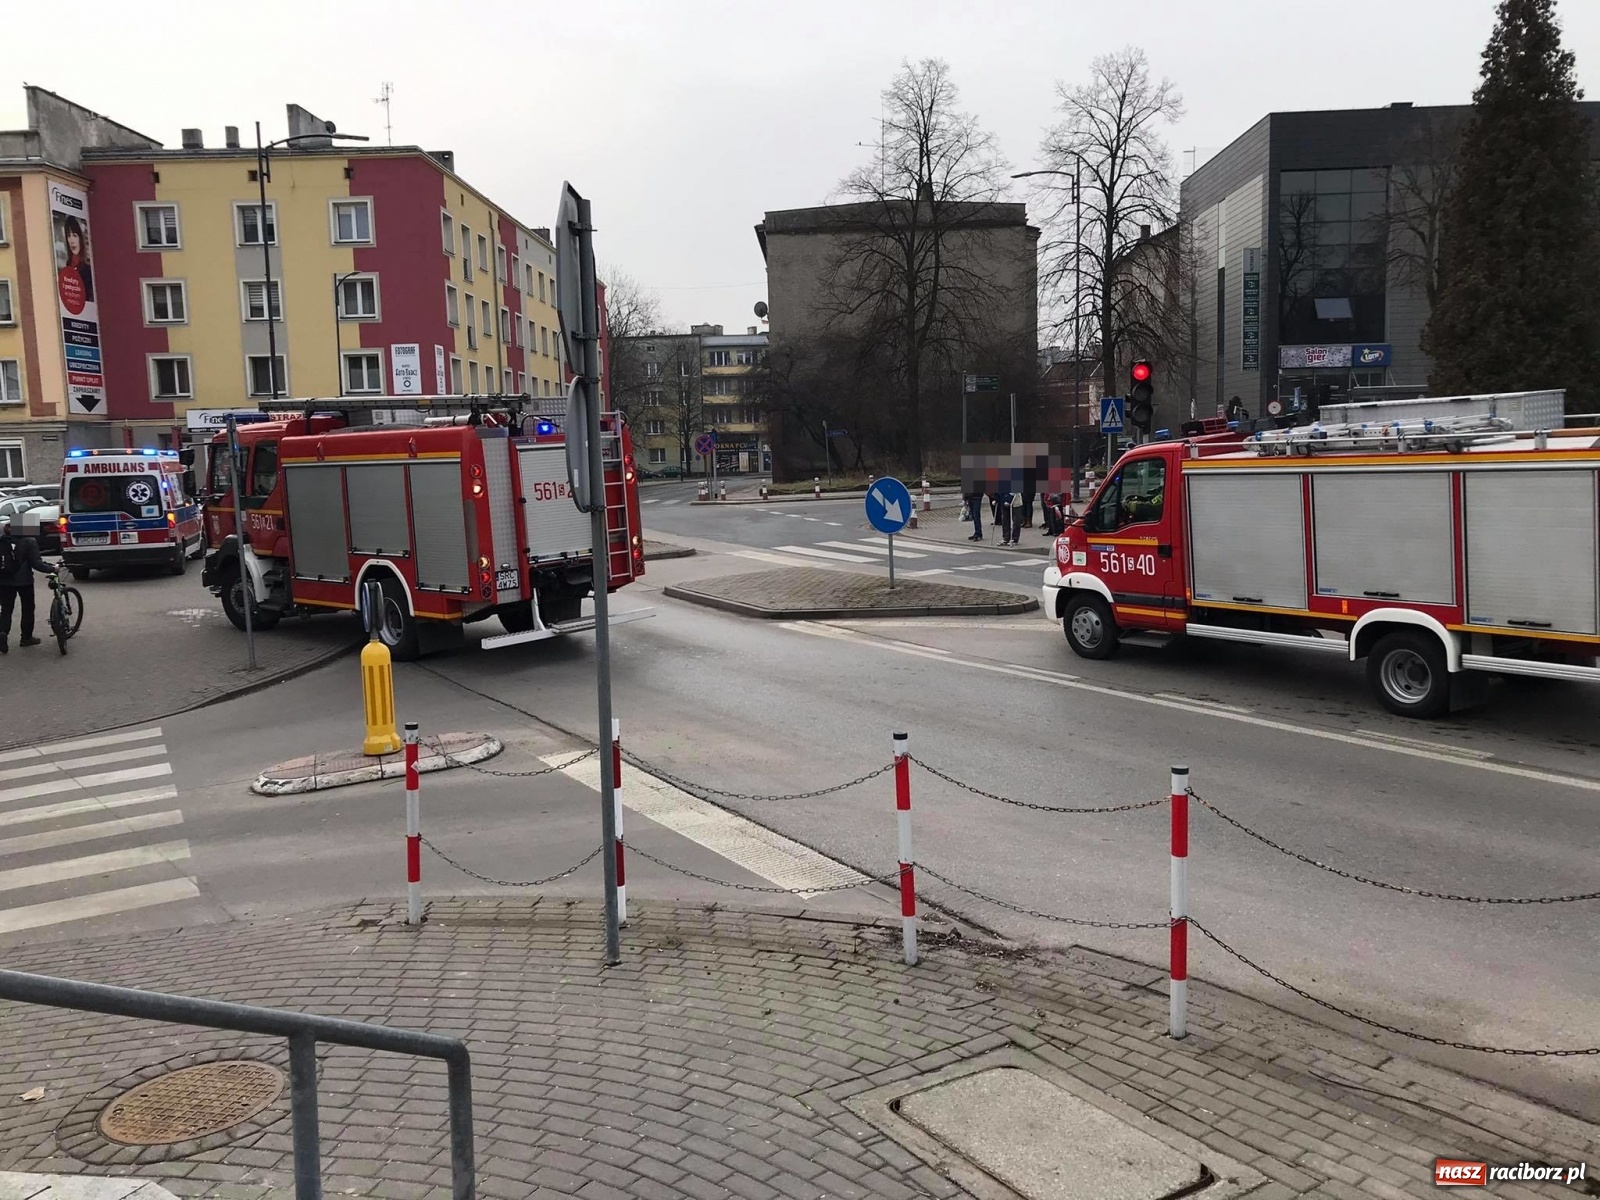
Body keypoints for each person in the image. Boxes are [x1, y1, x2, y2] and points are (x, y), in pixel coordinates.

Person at [0, 511, 58, 652]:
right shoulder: (29, 541)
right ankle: (26, 637)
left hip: (4, 580)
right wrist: (53, 568)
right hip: (24, 581)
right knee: (28, 608)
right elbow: (36, 564)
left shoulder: (3, 539)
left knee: (6, 609)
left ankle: (2, 634)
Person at [59, 216, 94, 304]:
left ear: (80, 238)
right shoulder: (69, 263)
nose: (72, 241)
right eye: (69, 236)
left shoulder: (87, 266)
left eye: (74, 235)